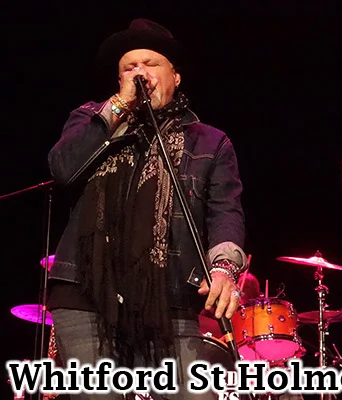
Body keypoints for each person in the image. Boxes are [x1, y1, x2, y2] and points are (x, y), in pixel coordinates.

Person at [46, 18, 247, 399]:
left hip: (170, 297)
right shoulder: (92, 120)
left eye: (151, 64)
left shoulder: (210, 142)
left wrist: (224, 268)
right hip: (85, 295)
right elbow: (63, 168)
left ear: (176, 76)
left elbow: (225, 212)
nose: (140, 73)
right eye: (129, 67)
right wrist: (117, 109)